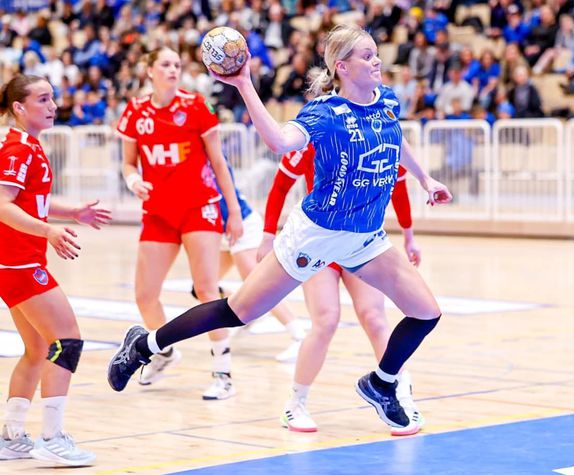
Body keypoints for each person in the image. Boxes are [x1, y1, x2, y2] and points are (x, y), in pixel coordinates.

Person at [108, 24, 452, 433]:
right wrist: (244, 84)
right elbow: (279, 141)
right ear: (342, 67)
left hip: (365, 237)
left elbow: (395, 138)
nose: (377, 61)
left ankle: (381, 383)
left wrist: (425, 179)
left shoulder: (386, 101)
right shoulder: (325, 113)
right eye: (367, 56)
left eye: (376, 53)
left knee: (426, 312)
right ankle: (144, 345)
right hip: (316, 235)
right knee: (237, 311)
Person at [258, 144, 423, 435]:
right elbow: (281, 185)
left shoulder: (379, 136)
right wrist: (267, 236)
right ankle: (296, 403)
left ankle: (399, 395)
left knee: (374, 317)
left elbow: (398, 188)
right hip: (320, 242)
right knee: (326, 320)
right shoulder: (317, 135)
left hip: (360, 242)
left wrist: (409, 236)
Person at [115, 47, 244, 400]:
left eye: (177, 64)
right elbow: (128, 163)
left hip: (199, 207)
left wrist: (233, 210)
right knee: (144, 295)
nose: (173, 69)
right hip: (158, 211)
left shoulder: (197, 106)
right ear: (149, 70)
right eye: (165, 64)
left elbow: (219, 162)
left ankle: (223, 373)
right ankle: (164, 351)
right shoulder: (135, 111)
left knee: (206, 290)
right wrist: (133, 181)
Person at [0, 75, 111, 465]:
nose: (52, 106)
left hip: (16, 262)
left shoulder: (29, 145)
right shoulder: (18, 149)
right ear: (19, 107)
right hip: (19, 262)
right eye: (43, 99)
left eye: (53, 98)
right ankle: (52, 438)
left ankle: (12, 437)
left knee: (37, 349)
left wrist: (72, 212)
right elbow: (3, 204)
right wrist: (49, 231)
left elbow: (32, 201)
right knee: (67, 341)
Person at [192, 163, 305, 362]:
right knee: (201, 287)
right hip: (221, 231)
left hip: (240, 226)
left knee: (260, 288)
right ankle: (249, 313)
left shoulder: (211, 160)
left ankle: (299, 336)